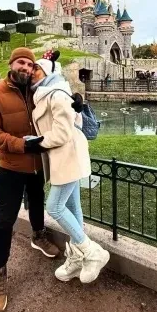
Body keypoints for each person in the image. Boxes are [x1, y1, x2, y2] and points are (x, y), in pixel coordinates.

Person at [0, 47, 83, 312]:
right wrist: (22, 145)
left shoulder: (36, 89)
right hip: (11, 167)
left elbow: (57, 94)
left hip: (37, 166)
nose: (26, 68)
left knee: (37, 204)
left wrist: (75, 104)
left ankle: (38, 236)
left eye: (30, 64)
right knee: (4, 221)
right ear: (11, 64)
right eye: (21, 63)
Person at [31, 50, 110, 284]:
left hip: (69, 156)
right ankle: (77, 258)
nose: (33, 72)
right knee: (74, 208)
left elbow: (63, 133)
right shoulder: (43, 94)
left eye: (37, 69)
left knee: (54, 207)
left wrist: (36, 142)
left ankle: (92, 252)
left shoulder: (56, 94)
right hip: (62, 157)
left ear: (48, 72)